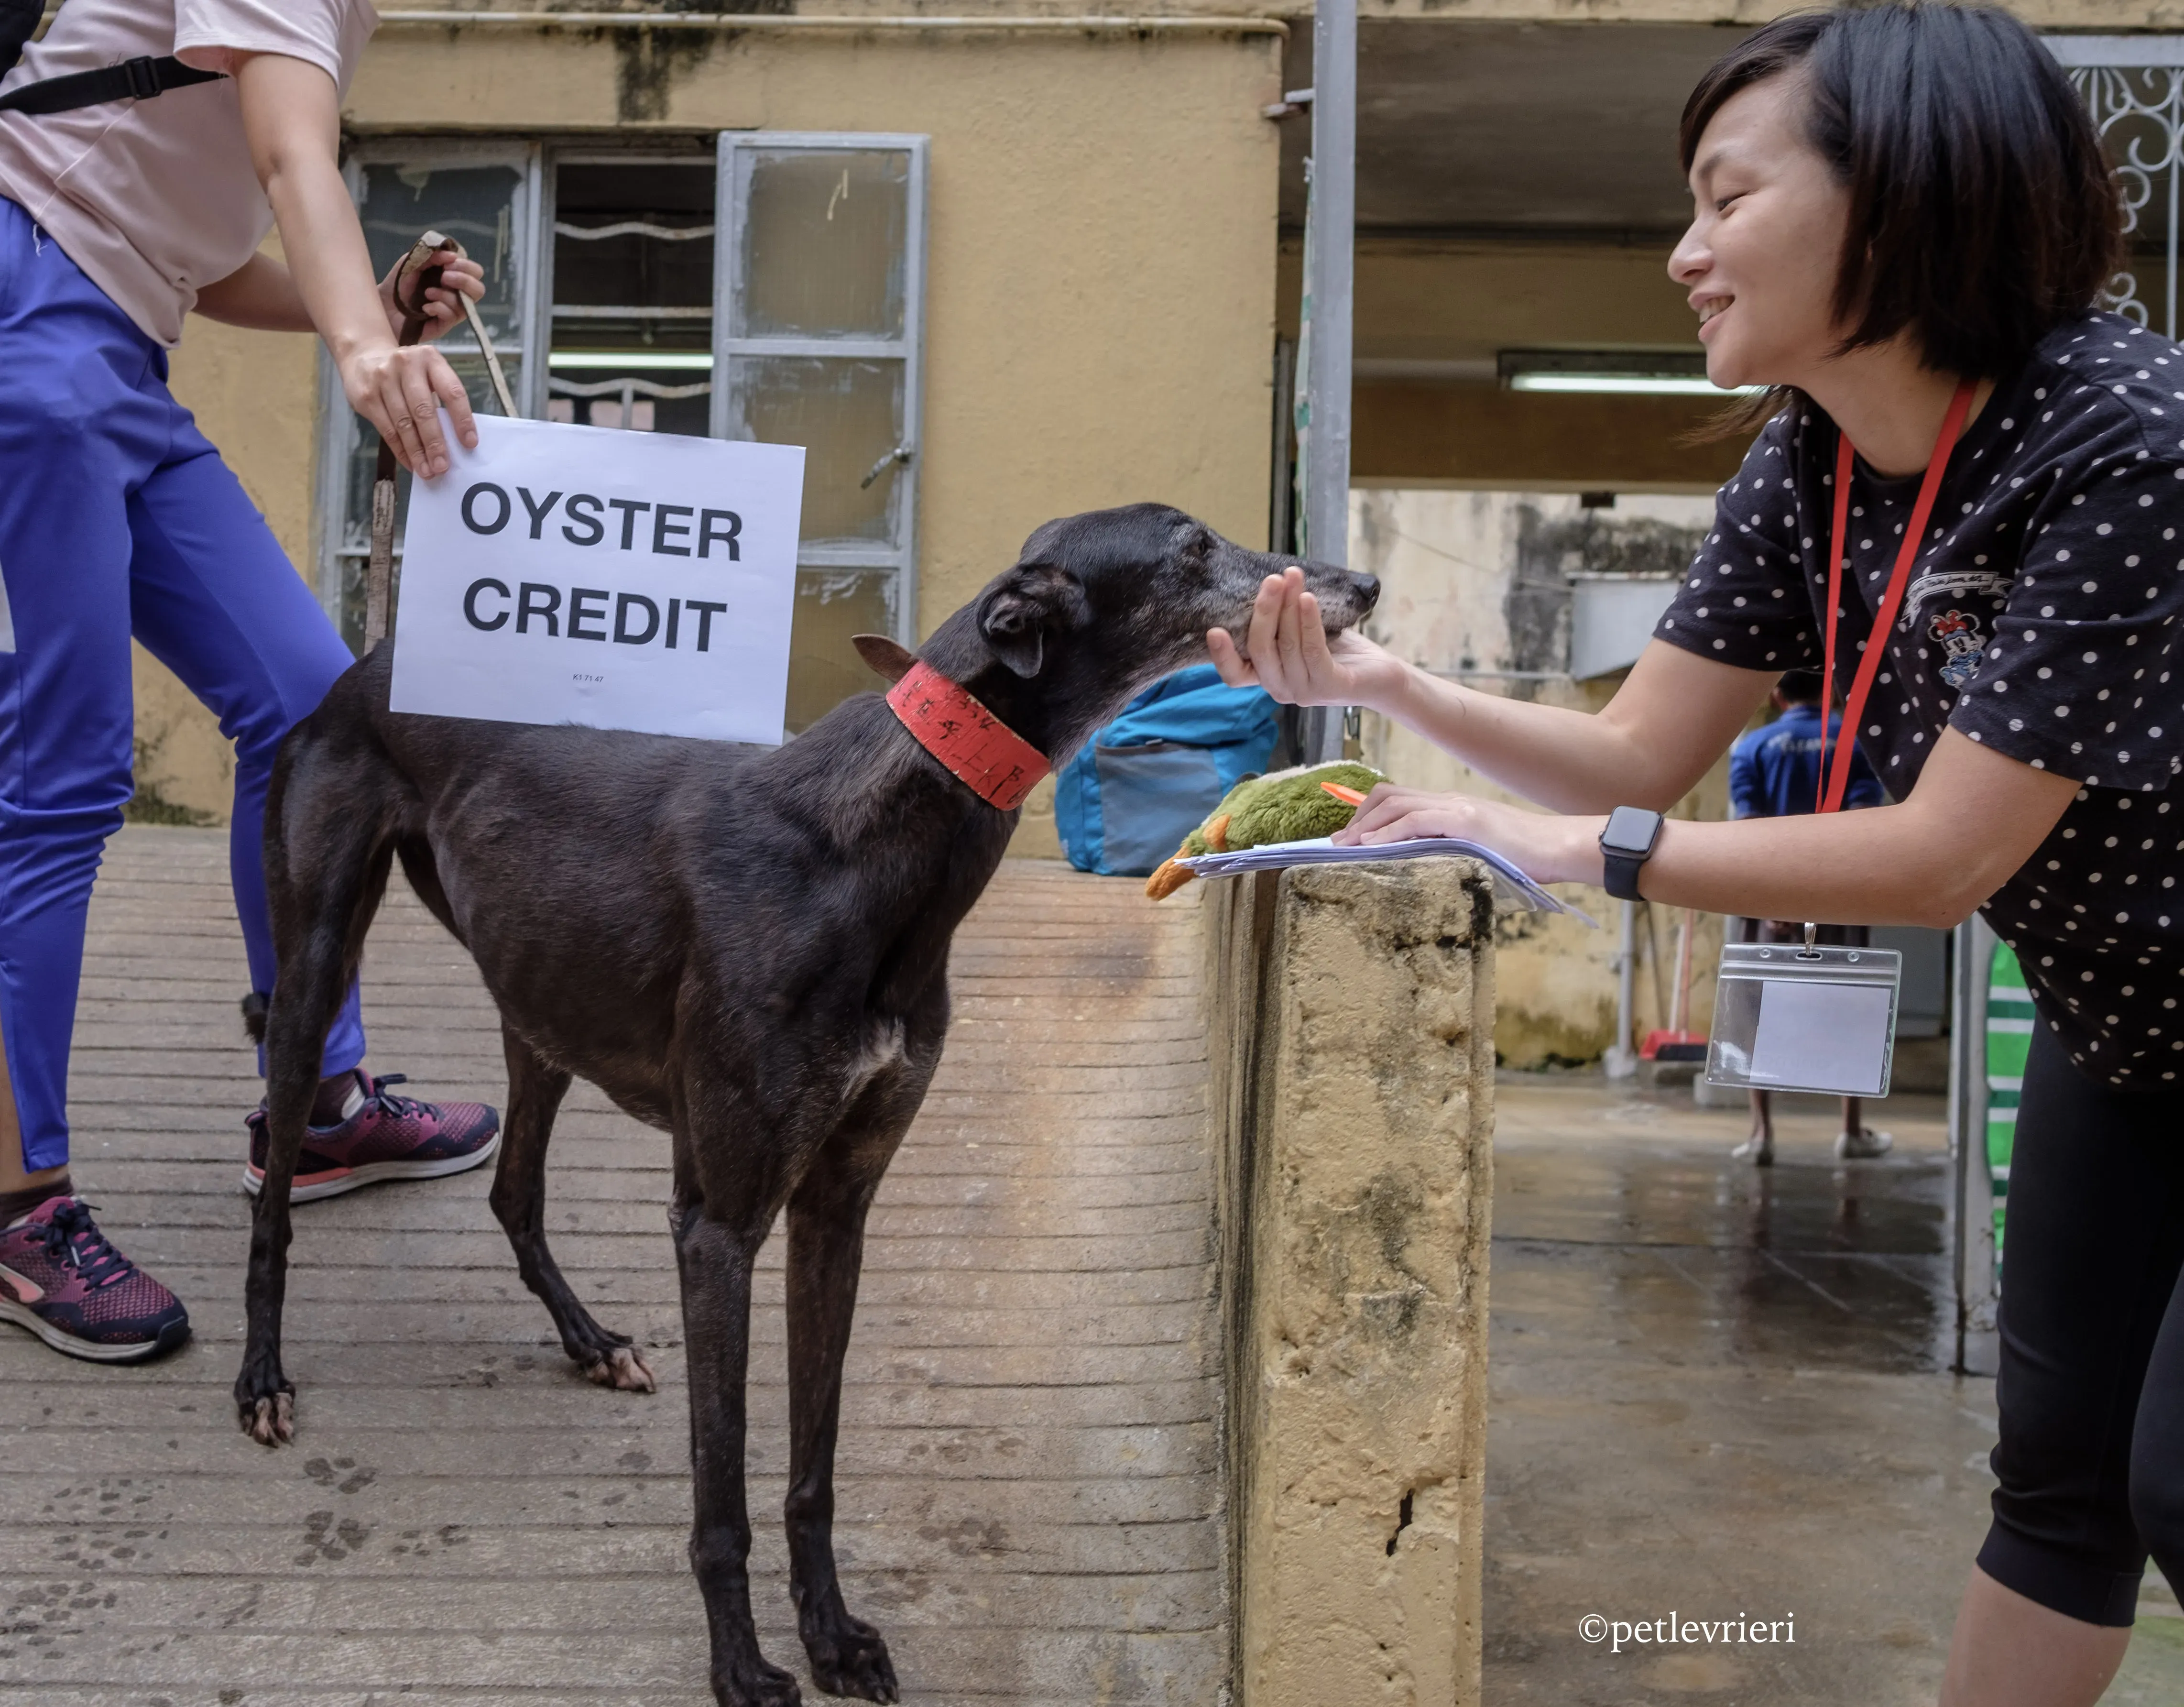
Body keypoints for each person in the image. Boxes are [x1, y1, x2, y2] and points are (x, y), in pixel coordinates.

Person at [1210, 7, 2184, 1703]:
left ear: (1897, 195)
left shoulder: (2128, 439)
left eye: (1725, 199)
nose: (1681, 254)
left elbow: (1942, 858)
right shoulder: (1810, 453)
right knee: (2059, 1485)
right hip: (2133, 1030)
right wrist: (1386, 686)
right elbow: (1633, 751)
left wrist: (1562, 849)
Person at [0, 0, 501, 1366]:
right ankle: (18, 1203)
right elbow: (295, 162)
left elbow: (199, 255)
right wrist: (363, 351)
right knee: (62, 772)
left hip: (115, 347)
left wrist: (370, 305)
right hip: (30, 318)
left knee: (310, 706)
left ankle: (316, 1101)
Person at [1725, 668, 1891, 1164]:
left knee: (1755, 1013)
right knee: (1849, 1007)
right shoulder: (1856, 741)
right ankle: (1850, 1132)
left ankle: (1760, 1136)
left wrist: (1776, 901)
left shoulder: (1752, 746)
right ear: (1831, 693)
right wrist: (1820, 897)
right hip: (1837, 897)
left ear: (1776, 697)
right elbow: (1861, 826)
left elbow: (1749, 828)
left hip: (1769, 901)